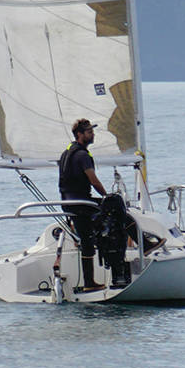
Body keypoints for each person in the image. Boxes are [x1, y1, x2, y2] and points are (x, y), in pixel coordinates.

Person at [57, 118, 108, 291]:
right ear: (80, 135)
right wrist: (106, 196)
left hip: (68, 203)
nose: (92, 135)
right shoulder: (82, 156)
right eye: (89, 132)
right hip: (81, 202)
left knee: (86, 241)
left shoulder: (67, 153)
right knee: (114, 206)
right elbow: (93, 181)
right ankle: (145, 246)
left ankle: (89, 283)